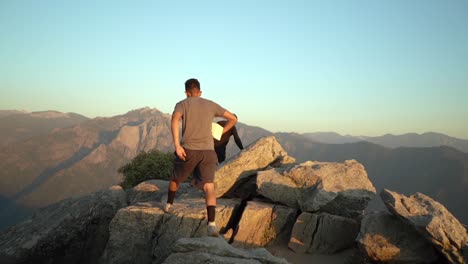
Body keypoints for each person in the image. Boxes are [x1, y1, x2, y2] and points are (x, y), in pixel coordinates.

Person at [164, 78, 238, 237]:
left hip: (189, 150)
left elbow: (175, 119)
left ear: (186, 92)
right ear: (200, 91)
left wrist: (177, 145)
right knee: (209, 186)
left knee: (176, 178)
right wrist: (219, 132)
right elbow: (233, 119)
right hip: (208, 152)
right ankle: (212, 224)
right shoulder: (211, 104)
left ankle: (169, 204)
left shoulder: (182, 104)